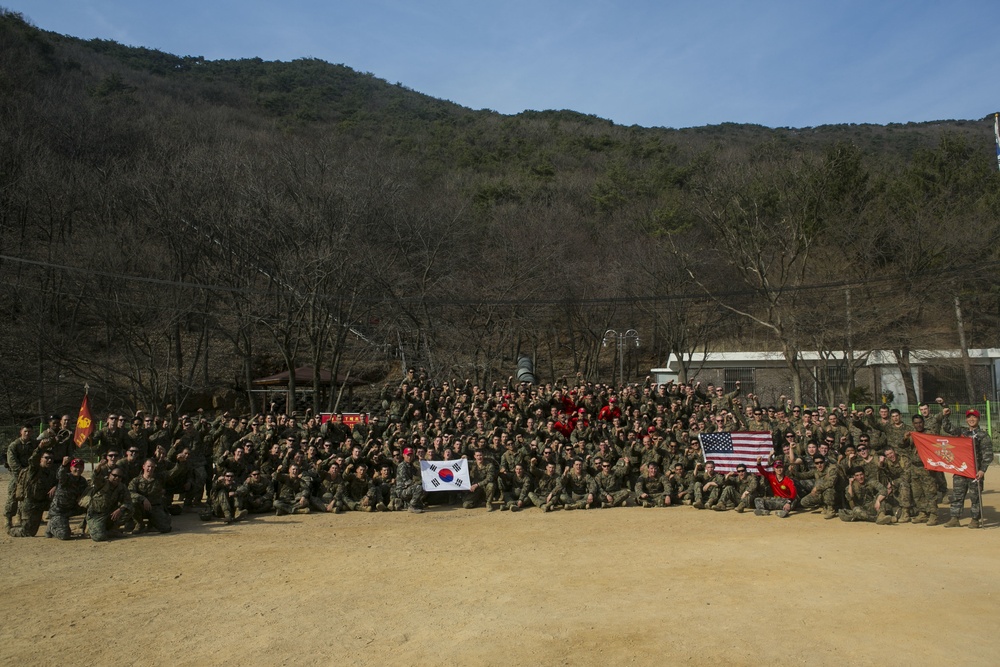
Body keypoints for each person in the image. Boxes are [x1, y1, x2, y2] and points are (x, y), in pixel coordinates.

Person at [943, 409, 994, 528]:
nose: (971, 419)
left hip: (975, 471)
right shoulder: (962, 432)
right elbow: (947, 427)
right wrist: (945, 415)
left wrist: (982, 470)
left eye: (974, 417)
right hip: (961, 469)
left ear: (978, 419)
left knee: (975, 496)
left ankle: (975, 519)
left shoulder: (983, 435)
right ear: (966, 419)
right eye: (969, 417)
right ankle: (954, 518)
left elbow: (988, 455)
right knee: (957, 495)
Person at [7, 446, 57, 538]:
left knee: (61, 502)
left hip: (44, 502)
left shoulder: (52, 472)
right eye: (46, 458)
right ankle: (10, 530)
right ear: (40, 459)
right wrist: (39, 448)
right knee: (29, 533)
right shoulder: (33, 470)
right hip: (31, 504)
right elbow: (32, 460)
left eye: (51, 458)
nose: (49, 460)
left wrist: (56, 486)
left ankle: (55, 528)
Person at [46, 457, 90, 539]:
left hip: (72, 509)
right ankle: (51, 526)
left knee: (92, 506)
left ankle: (85, 528)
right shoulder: (66, 478)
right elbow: (60, 475)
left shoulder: (82, 481)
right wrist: (63, 465)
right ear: (70, 468)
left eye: (80, 467)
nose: (78, 469)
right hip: (59, 511)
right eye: (75, 467)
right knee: (64, 535)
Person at [87, 466, 134, 542]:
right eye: (114, 475)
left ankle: (113, 529)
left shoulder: (122, 487)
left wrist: (120, 509)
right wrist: (98, 468)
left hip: (110, 514)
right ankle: (92, 528)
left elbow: (128, 502)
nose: (117, 478)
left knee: (129, 509)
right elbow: (95, 477)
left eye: (119, 477)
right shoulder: (102, 483)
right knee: (99, 537)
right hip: (96, 515)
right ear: (109, 475)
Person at [129, 459, 173, 533]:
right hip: (141, 507)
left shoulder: (159, 478)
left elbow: (173, 472)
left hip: (155, 507)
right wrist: (143, 499)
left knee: (166, 528)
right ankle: (139, 524)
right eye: (148, 466)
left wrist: (180, 463)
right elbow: (130, 492)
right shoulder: (136, 480)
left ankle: (152, 523)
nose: (150, 469)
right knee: (133, 503)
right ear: (143, 467)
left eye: (152, 467)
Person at [395, 447, 426, 513]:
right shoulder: (402, 466)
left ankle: (409, 504)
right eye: (408, 455)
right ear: (403, 455)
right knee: (419, 487)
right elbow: (407, 482)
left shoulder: (411, 465)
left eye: (411, 455)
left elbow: (418, 475)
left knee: (421, 505)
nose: (409, 457)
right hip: (401, 490)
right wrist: (418, 483)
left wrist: (422, 463)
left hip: (408, 489)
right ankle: (412, 506)